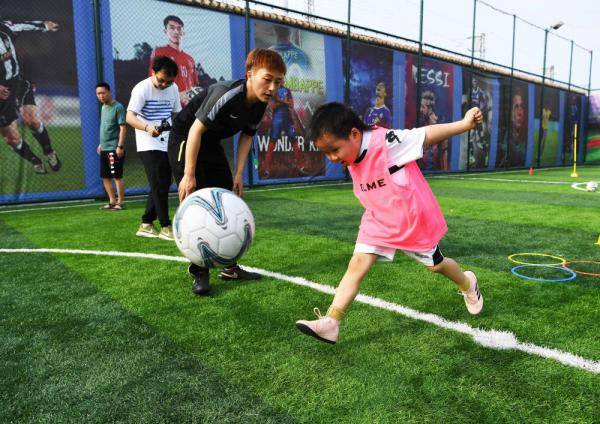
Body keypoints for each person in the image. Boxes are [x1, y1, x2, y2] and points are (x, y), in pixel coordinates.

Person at [295, 102, 484, 344]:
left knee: (436, 266)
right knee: (357, 265)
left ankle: (467, 283)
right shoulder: (351, 153)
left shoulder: (386, 142)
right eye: (326, 153)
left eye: (335, 150)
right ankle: (331, 322)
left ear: (354, 134)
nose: (332, 158)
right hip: (378, 218)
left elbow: (425, 135)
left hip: (410, 220)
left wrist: (464, 124)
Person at [170, 48, 286, 295]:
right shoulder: (227, 93)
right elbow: (195, 131)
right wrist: (189, 173)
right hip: (186, 137)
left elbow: (247, 136)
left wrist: (239, 173)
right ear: (250, 74)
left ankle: (229, 266)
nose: (272, 87)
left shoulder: (260, 104)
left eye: (278, 82)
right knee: (196, 202)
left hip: (210, 143)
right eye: (267, 79)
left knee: (224, 195)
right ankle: (199, 270)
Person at [127, 56, 181, 240]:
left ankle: (146, 223)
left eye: (169, 81)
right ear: (153, 72)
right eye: (161, 80)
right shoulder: (142, 88)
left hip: (167, 142)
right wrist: (148, 128)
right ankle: (166, 227)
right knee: (159, 183)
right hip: (147, 142)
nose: (165, 84)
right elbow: (130, 117)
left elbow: (175, 115)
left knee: (164, 183)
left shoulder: (173, 89)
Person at [0, 19, 61, 174]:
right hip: (2, 95)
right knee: (12, 139)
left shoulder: (4, 29)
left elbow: (22, 25)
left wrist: (44, 26)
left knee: (32, 120)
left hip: (18, 83)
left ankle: (49, 152)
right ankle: (36, 161)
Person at [148, 15, 199, 107]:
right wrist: (177, 96)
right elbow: (153, 82)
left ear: (183, 33)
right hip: (168, 107)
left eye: (179, 29)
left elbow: (195, 86)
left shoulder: (190, 58)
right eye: (172, 28)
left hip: (189, 108)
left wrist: (191, 96)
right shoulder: (160, 52)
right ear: (165, 31)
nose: (176, 32)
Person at [263, 84, 306, 178]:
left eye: (282, 77)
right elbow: (273, 106)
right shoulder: (272, 90)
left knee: (295, 142)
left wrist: (280, 101)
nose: (281, 80)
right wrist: (284, 102)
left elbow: (291, 105)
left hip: (288, 120)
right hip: (276, 120)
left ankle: (301, 167)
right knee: (271, 144)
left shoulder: (287, 90)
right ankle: (267, 170)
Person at [96, 82, 126, 210]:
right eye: (98, 94)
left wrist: (120, 146)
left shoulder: (118, 107)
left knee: (117, 176)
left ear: (109, 92)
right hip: (104, 148)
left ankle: (120, 202)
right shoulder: (103, 107)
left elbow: (123, 128)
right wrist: (101, 144)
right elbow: (106, 128)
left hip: (114, 149)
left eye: (103, 93)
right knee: (105, 176)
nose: (101, 96)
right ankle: (112, 201)